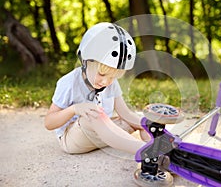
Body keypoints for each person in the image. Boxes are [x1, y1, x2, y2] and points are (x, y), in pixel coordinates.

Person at [44, 22, 173, 186]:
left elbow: (126, 114)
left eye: (113, 77)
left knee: (136, 120)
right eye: (102, 74)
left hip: (103, 133)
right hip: (73, 140)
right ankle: (147, 152)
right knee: (93, 113)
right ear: (86, 61)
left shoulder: (110, 83)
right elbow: (49, 123)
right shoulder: (69, 82)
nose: (106, 81)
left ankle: (158, 149)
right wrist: (75, 109)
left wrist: (150, 126)